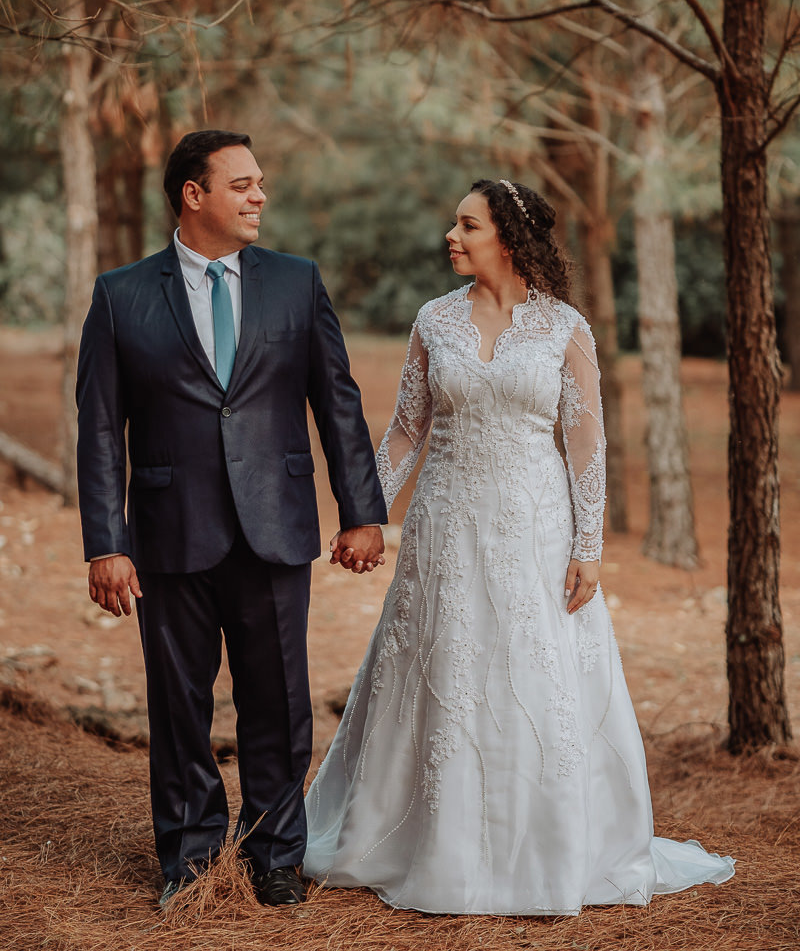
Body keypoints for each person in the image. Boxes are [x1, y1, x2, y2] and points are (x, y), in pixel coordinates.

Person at [303, 178, 734, 915]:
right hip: (446, 524)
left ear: (506, 236)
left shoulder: (565, 327)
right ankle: (430, 840)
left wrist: (590, 543)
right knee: (446, 664)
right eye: (453, 222)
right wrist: (363, 512)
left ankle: (545, 848)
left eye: (466, 224)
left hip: (537, 528)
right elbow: (409, 427)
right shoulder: (433, 321)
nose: (451, 234)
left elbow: (586, 440)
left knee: (534, 677)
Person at [76, 130, 387, 910]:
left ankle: (276, 854)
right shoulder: (121, 294)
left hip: (275, 524)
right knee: (179, 705)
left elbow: (337, 402)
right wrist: (105, 545)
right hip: (167, 532)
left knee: (279, 701)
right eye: (243, 184)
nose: (259, 197)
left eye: (260, 184)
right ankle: (187, 857)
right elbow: (100, 428)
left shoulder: (295, 282)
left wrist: (362, 512)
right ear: (194, 194)